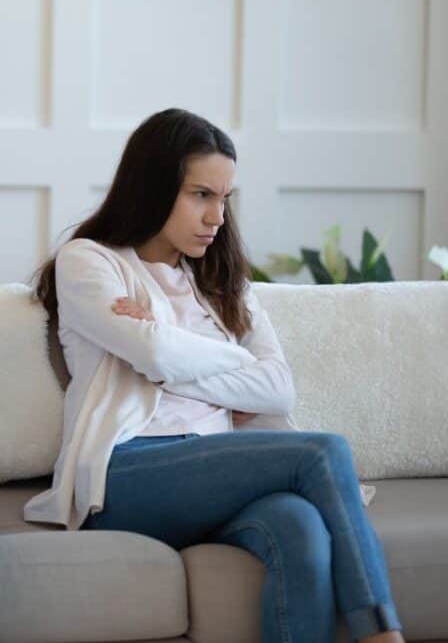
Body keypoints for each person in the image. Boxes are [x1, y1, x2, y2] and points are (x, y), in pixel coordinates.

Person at [26, 108, 404, 643]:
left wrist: (166, 354)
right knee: (322, 452)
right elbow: (157, 355)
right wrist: (196, 361)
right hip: (127, 472)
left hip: (219, 468)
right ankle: (384, 636)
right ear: (153, 187)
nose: (217, 217)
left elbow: (276, 388)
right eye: (201, 195)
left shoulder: (226, 285)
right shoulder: (90, 262)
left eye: (224, 198)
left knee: (300, 529)